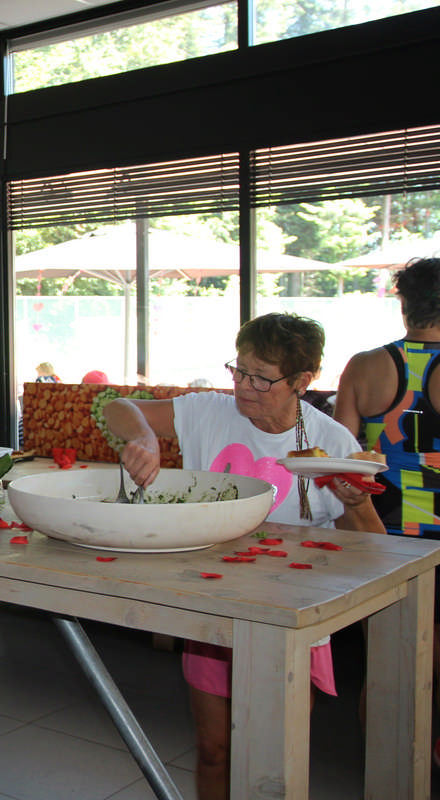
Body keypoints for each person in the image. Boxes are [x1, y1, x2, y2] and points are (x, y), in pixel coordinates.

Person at [105, 311, 384, 800]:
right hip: (214, 607)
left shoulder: (331, 442)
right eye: (239, 370)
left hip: (289, 619)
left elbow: (373, 549)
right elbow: (116, 407)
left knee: (273, 754)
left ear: (302, 381)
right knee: (214, 749)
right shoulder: (209, 412)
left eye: (261, 378)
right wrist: (145, 437)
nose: (244, 387)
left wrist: (355, 503)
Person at [333, 256, 440, 757]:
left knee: (386, 659)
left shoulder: (364, 366)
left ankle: (382, 766)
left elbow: (340, 458)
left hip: (379, 532)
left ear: (404, 304)